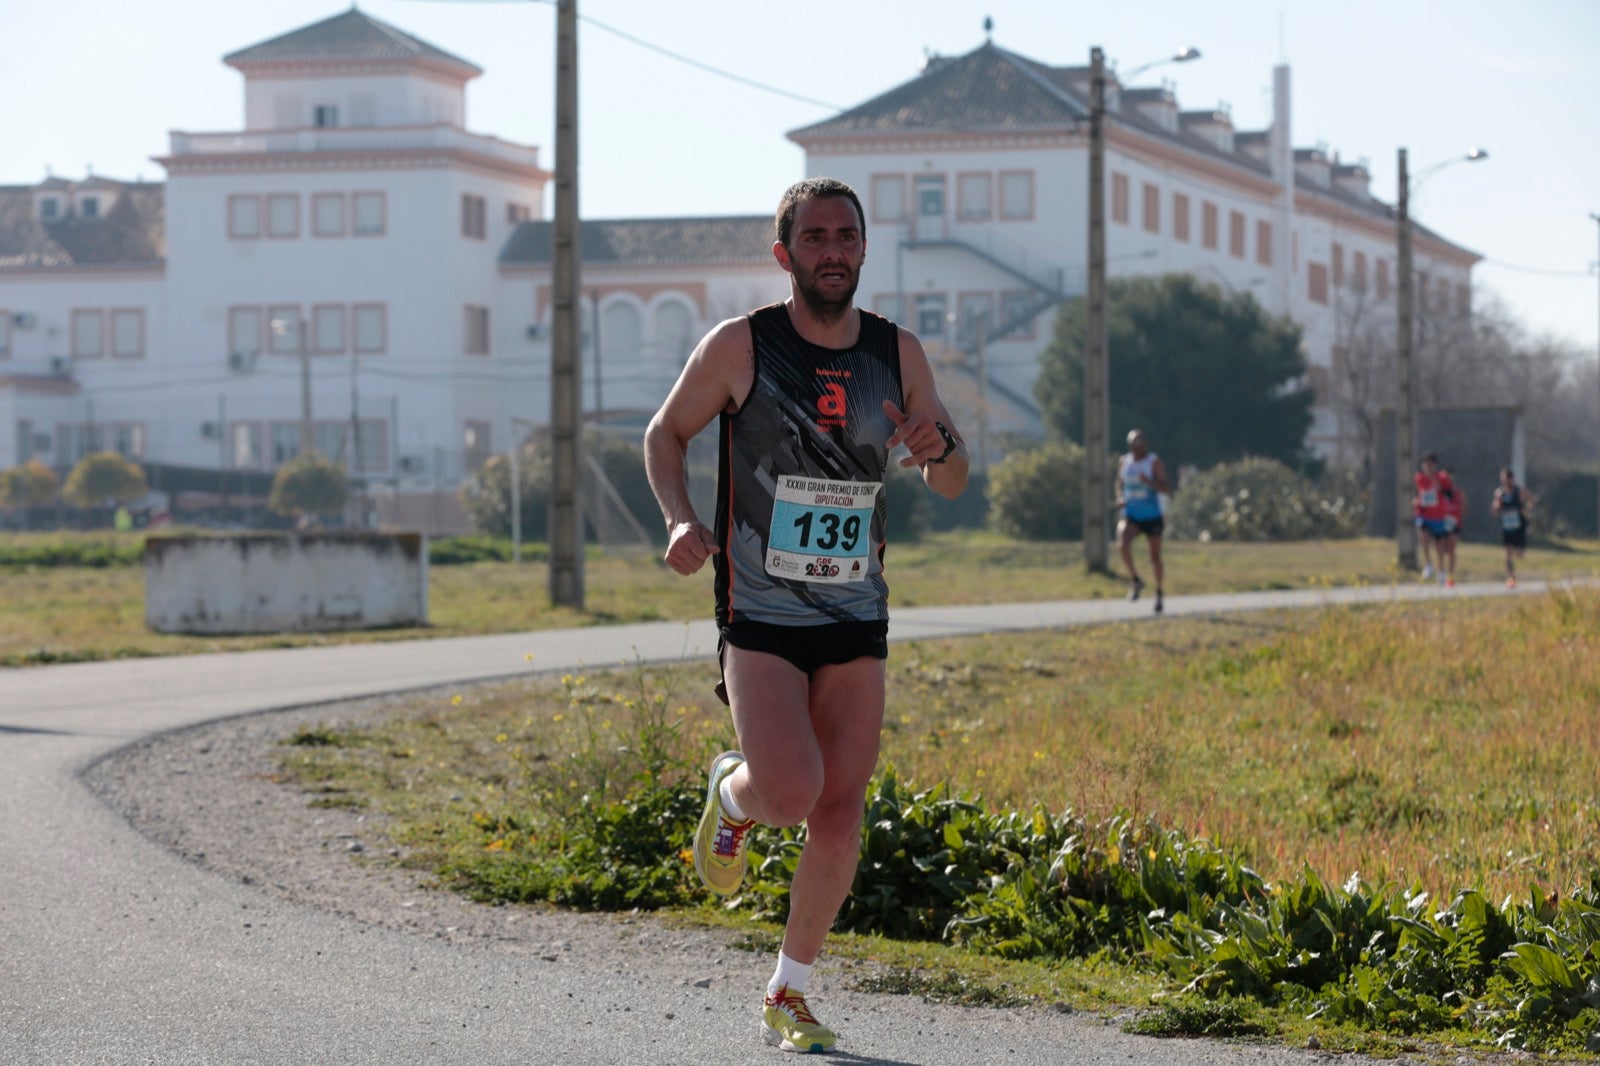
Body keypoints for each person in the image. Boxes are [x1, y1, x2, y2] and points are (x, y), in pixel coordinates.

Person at [643, 177, 968, 1055]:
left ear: (864, 250)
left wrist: (939, 451)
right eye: (815, 236)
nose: (833, 250)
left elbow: (949, 471)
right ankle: (734, 793)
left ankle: (791, 991)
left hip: (855, 607)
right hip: (763, 608)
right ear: (785, 254)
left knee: (841, 803)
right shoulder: (741, 347)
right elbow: (664, 434)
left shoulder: (898, 353)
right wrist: (679, 518)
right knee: (790, 792)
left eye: (847, 236)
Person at [1115, 429, 1170, 614]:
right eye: (1134, 443)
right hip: (1132, 515)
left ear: (1146, 444)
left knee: (1154, 557)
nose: (1137, 446)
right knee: (1122, 544)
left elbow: (1164, 488)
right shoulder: (1125, 461)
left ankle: (1159, 591)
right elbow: (1119, 484)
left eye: (1141, 443)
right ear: (1130, 444)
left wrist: (1149, 481)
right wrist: (1120, 497)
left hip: (1152, 516)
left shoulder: (1153, 462)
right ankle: (1136, 580)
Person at [1491, 467, 1536, 588]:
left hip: (1518, 526)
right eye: (1503, 480)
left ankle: (1516, 555)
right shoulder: (1499, 493)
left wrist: (1527, 510)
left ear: (1511, 479)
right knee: (1507, 553)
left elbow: (1532, 499)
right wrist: (1496, 507)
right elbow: (1494, 510)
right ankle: (1511, 577)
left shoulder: (1519, 491)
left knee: (1520, 554)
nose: (1505, 482)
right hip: (1506, 526)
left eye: (1507, 479)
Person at [1412, 453, 1448, 583]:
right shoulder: (1419, 478)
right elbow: (1418, 493)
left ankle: (1441, 571)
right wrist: (1416, 500)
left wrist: (1439, 487)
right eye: (1425, 465)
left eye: (1430, 465)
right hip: (1424, 514)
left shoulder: (1442, 478)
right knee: (1423, 537)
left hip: (1438, 516)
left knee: (1439, 547)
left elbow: (1449, 493)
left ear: (1435, 466)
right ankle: (1428, 564)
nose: (1427, 468)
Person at [1438, 465, 1464, 588]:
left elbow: (1464, 507)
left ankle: (1450, 576)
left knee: (1452, 549)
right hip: (1442, 522)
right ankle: (1441, 573)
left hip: (1454, 523)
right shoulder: (1440, 492)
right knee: (1441, 548)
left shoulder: (1458, 492)